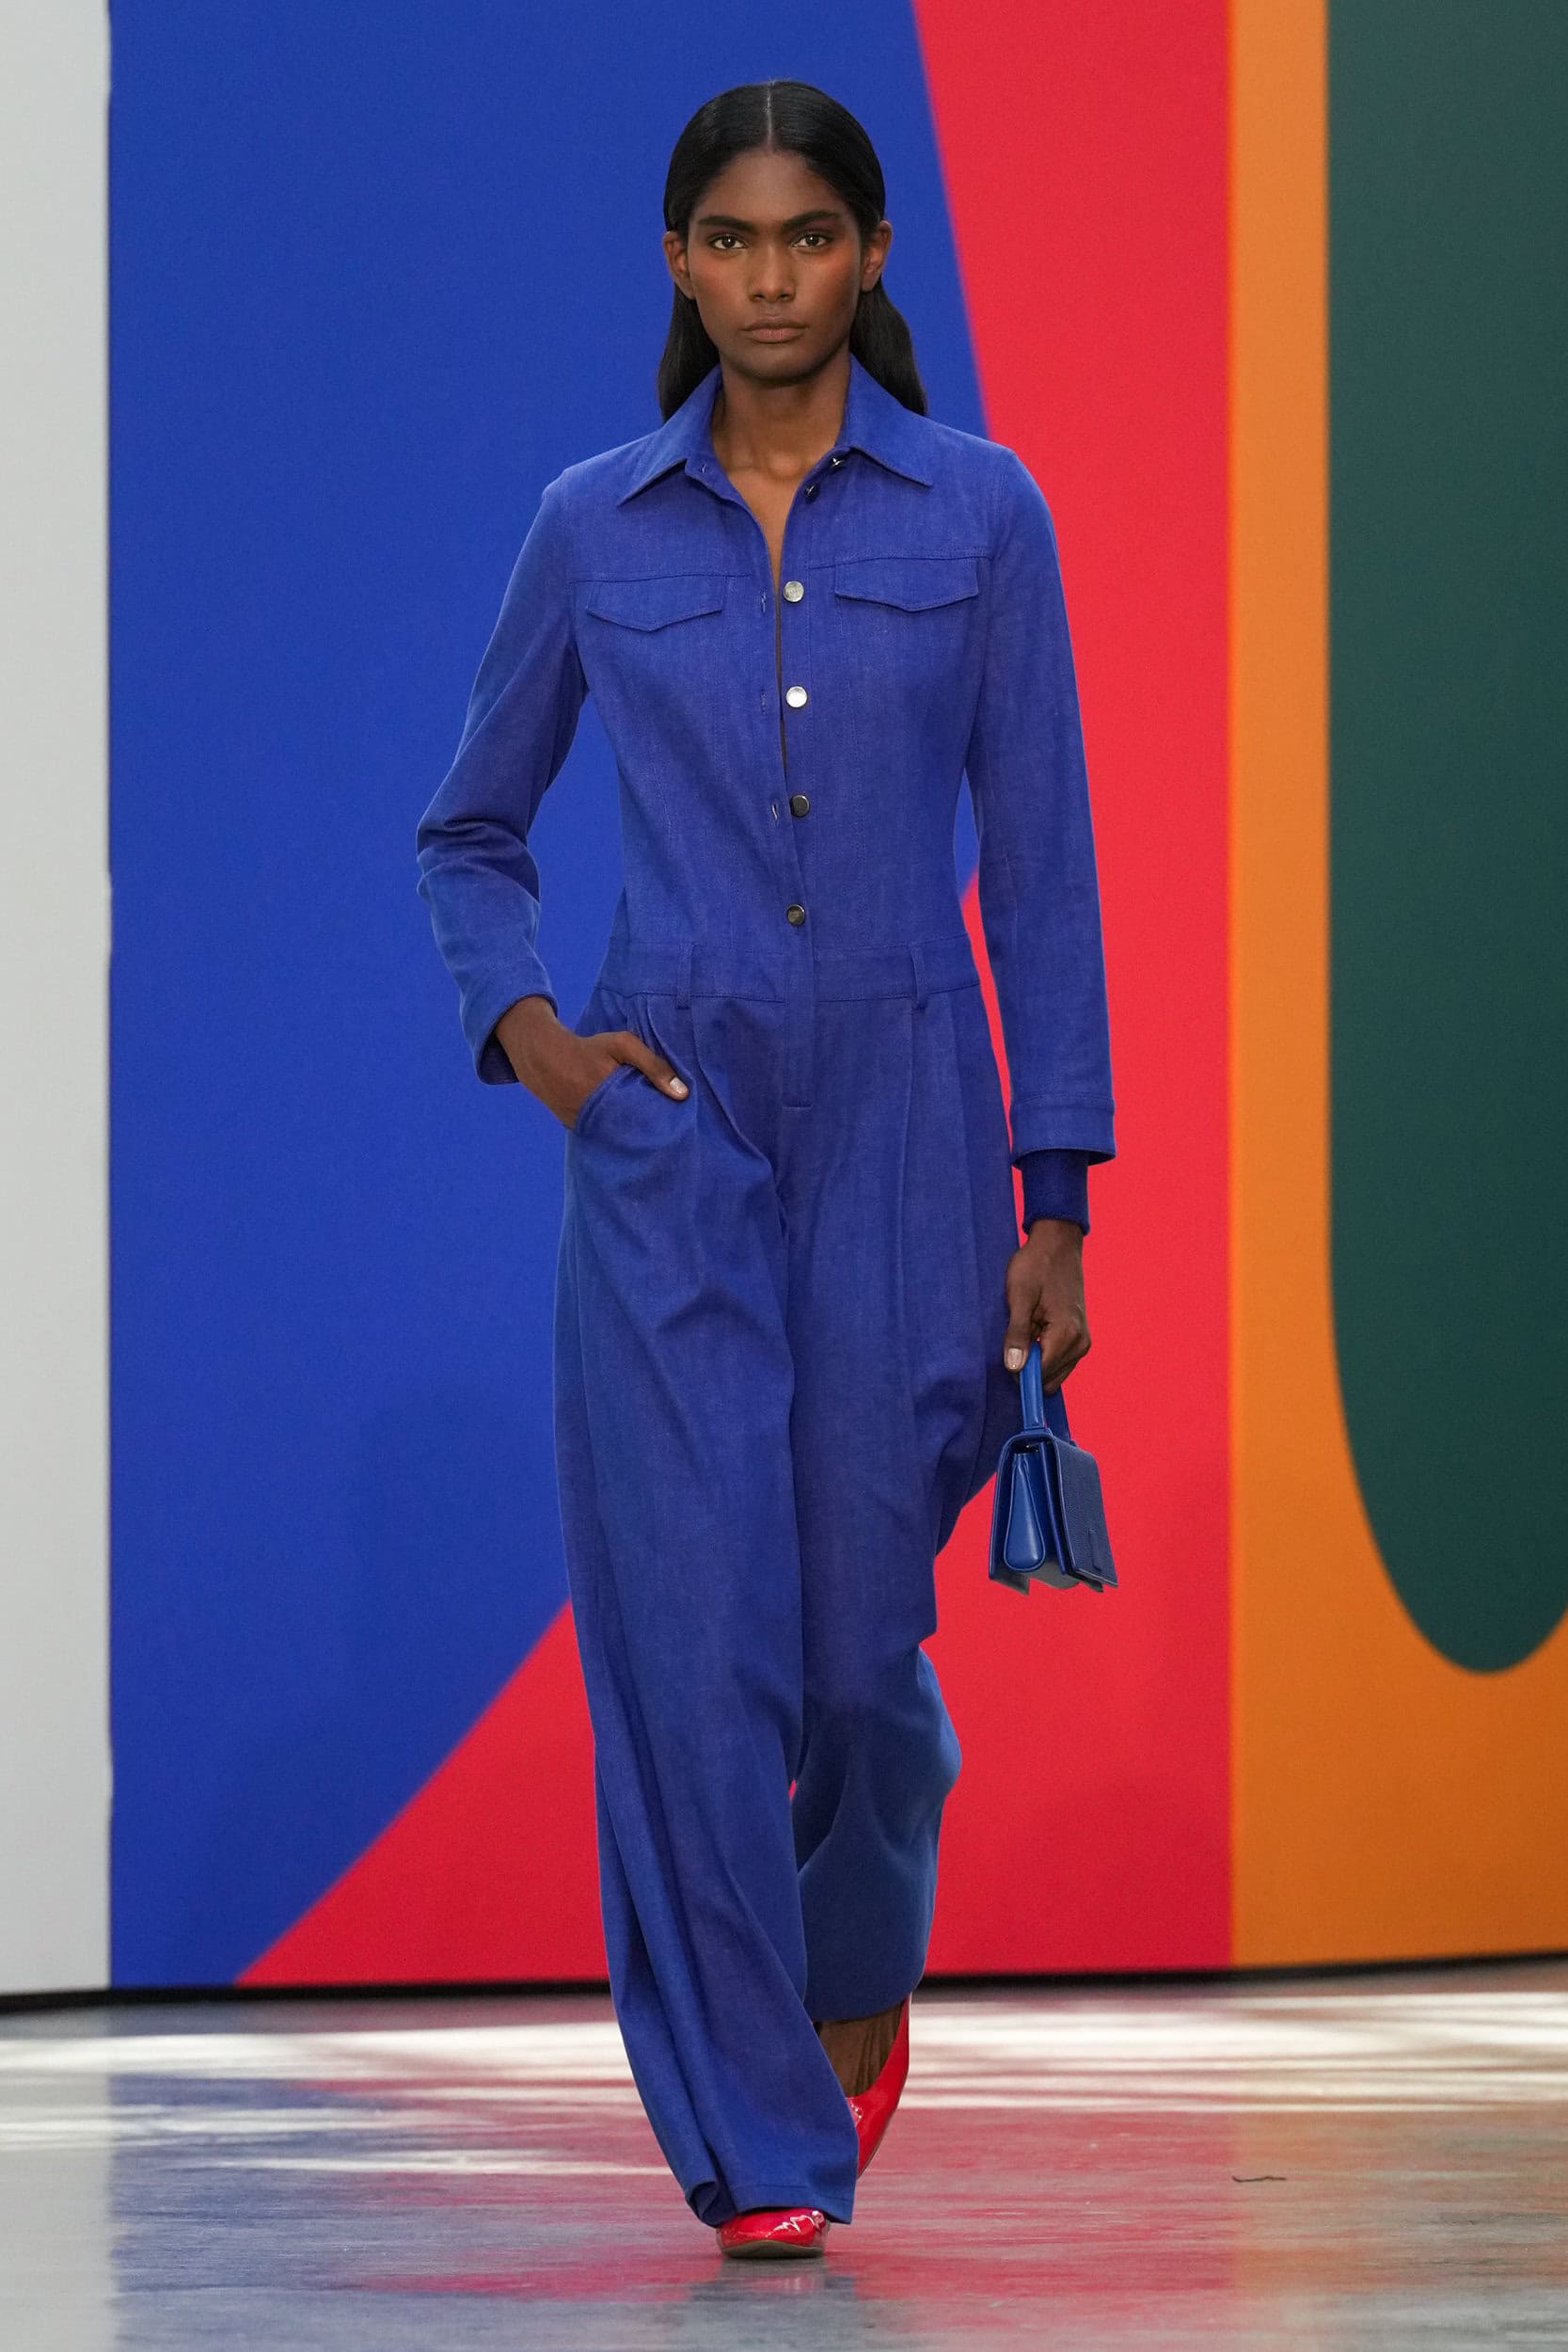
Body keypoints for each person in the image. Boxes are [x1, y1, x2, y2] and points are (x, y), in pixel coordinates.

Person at [415, 79, 1115, 2259]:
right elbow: (470, 827)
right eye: (731, 239)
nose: (773, 275)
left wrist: (1058, 1193)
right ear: (680, 265)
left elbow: (1046, 866)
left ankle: (854, 1953)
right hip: (675, 1130)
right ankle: (758, 2138)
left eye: (811, 235)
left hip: (913, 1122)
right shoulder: (594, 526)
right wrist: (545, 1047)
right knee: (691, 1644)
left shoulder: (983, 515)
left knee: (856, 1660)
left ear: (873, 253)